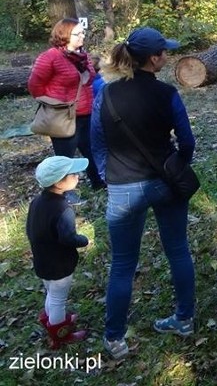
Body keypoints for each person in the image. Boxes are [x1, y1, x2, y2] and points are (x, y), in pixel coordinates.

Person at [90, 27, 196, 360]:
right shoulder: (167, 94)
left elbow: (97, 142)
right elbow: (187, 141)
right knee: (178, 250)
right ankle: (183, 319)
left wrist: (110, 176)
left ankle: (115, 338)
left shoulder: (105, 95)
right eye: (164, 52)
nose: (167, 55)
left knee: (122, 264)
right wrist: (176, 166)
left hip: (123, 188)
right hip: (165, 183)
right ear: (153, 59)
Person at [28, 18, 104, 202]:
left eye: (82, 33)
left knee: (91, 150)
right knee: (64, 157)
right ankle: (63, 194)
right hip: (64, 117)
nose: (82, 37)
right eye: (77, 34)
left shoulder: (82, 56)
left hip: (87, 113)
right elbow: (35, 86)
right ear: (64, 35)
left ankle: (98, 183)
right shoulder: (50, 57)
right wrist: (57, 102)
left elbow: (89, 80)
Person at [26, 155, 91, 349]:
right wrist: (84, 240)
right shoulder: (63, 209)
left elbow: (30, 229)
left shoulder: (36, 202)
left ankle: (53, 319)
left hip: (42, 259)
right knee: (57, 299)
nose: (77, 176)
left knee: (51, 293)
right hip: (59, 263)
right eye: (72, 174)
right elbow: (68, 238)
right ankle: (59, 334)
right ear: (59, 182)